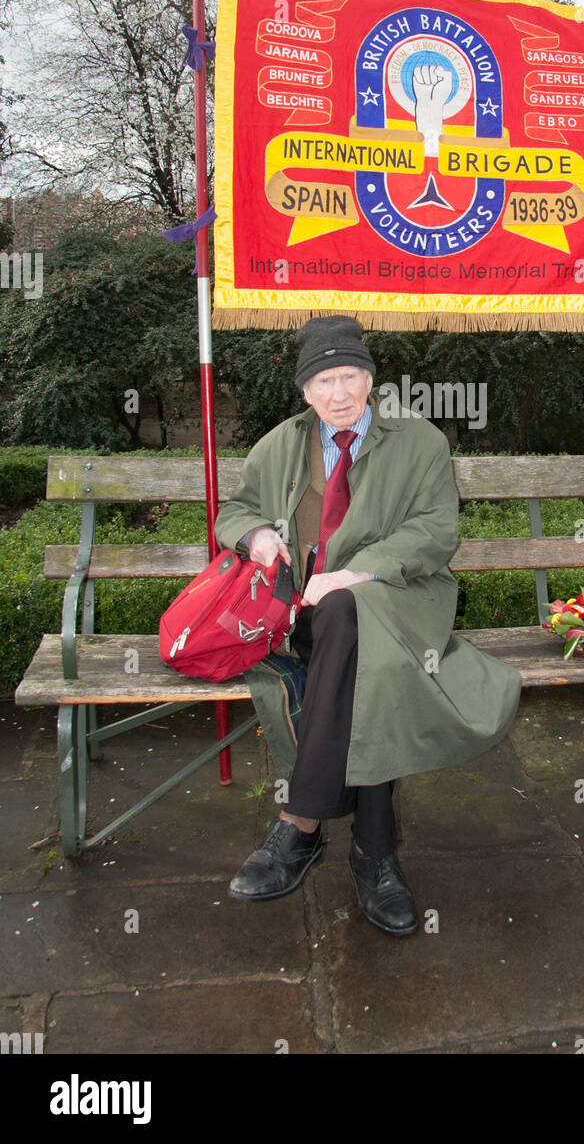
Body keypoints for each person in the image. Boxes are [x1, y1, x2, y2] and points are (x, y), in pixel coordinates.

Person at [214, 315, 523, 936]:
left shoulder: (420, 441)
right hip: (303, 613)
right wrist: (256, 536)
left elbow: (435, 532)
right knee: (353, 651)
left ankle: (300, 827)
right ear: (304, 391)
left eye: (349, 375)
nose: (338, 393)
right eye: (323, 380)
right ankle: (373, 855)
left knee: (353, 626)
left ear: (371, 378)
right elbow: (236, 510)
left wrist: (360, 573)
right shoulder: (279, 446)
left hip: (400, 599)